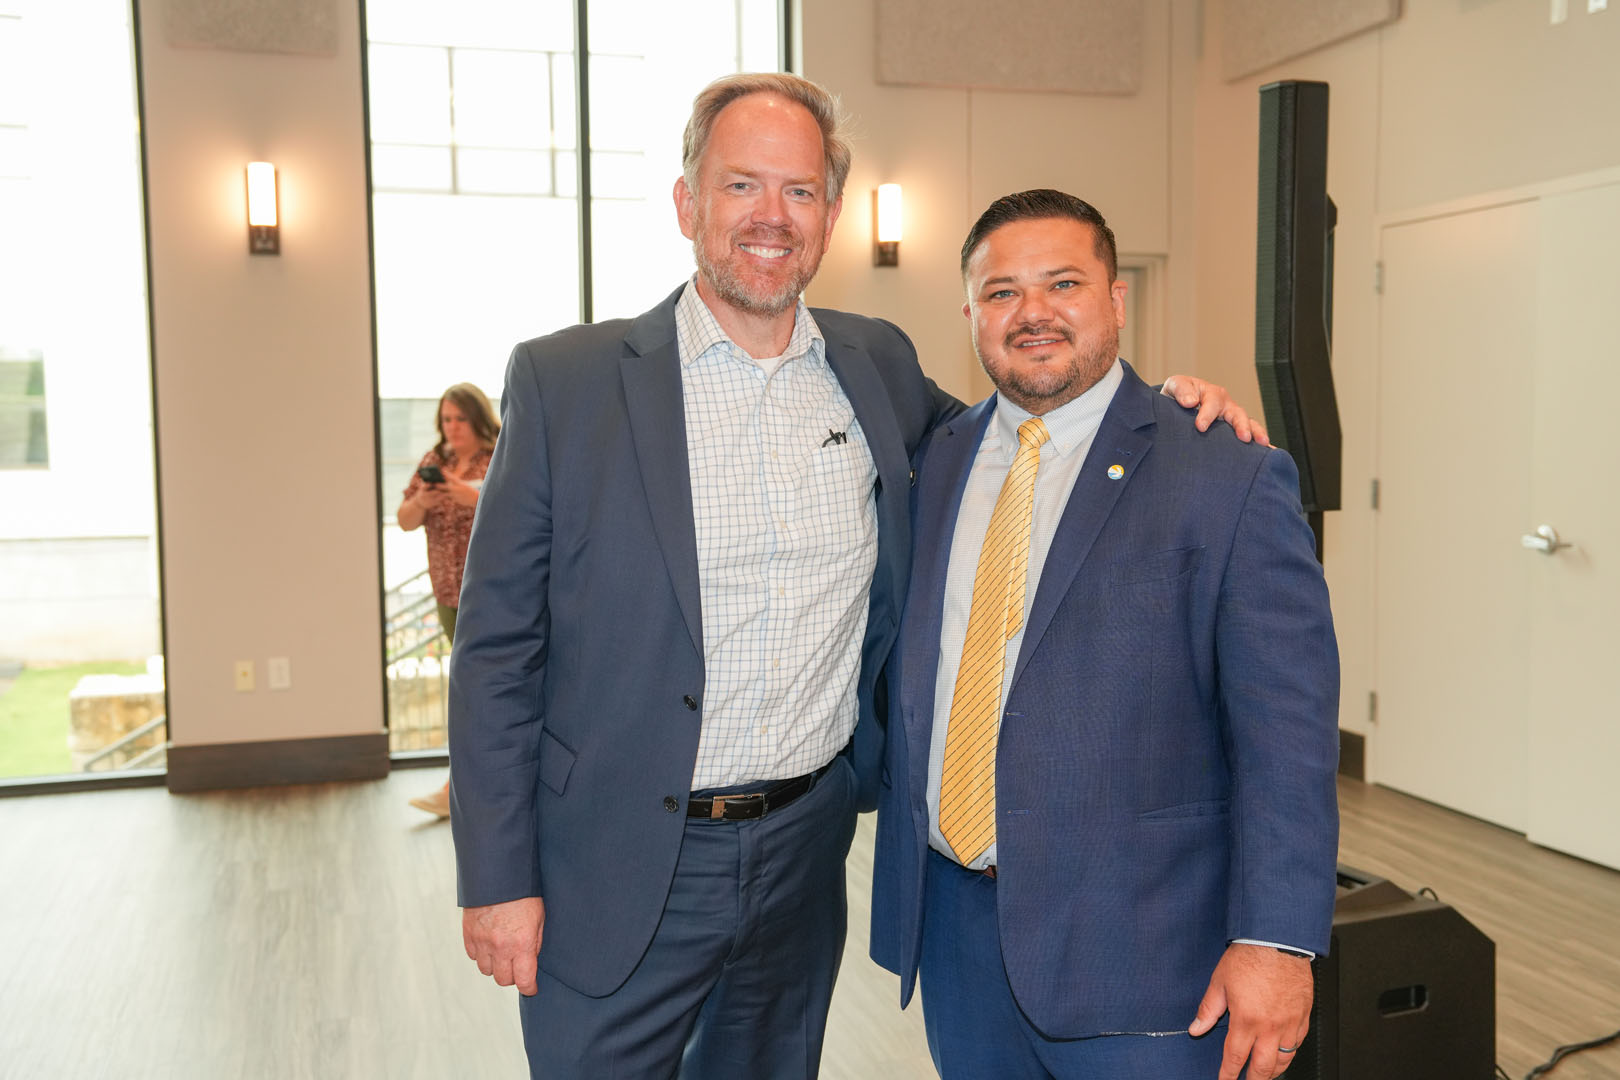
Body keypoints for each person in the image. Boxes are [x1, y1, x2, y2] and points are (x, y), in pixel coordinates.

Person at [448, 75, 1257, 1079]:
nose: (769, 218)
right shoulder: (565, 383)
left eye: (797, 192)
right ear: (686, 201)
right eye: (742, 185)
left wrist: (1169, 409)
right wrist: (496, 877)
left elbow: (1024, 430)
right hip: (613, 860)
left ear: (831, 216)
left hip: (805, 852)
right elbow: (496, 654)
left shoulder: (872, 366)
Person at [869, 189, 1339, 1080]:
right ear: (969, 313)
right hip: (961, 940)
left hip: (1151, 958)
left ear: (1116, 300)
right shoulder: (933, 463)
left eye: (1064, 283)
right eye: (1002, 291)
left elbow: (1289, 737)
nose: (1033, 312)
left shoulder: (1226, 473)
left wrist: (1277, 942)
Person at [398, 382, 499, 818]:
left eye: (459, 418)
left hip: (491, 592)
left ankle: (456, 787)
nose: (452, 428)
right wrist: (424, 498)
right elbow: (404, 520)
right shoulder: (433, 461)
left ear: (477, 419)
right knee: (467, 690)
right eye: (445, 419)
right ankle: (462, 785)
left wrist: (471, 496)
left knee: (475, 690)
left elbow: (521, 514)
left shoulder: (497, 456)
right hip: (447, 593)